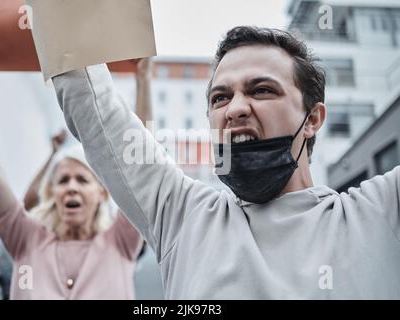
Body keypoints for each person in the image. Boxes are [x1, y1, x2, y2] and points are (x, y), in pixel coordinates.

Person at [41, 23, 400, 299]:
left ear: (313, 119)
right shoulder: (184, 215)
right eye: (220, 98)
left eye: (262, 90)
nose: (236, 109)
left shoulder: (380, 211)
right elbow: (92, 104)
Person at [0, 23, 150, 299]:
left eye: (82, 179)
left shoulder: (122, 240)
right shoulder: (25, 238)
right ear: (53, 194)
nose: (71, 187)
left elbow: (141, 163)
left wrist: (143, 79)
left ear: (102, 193)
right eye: (62, 180)